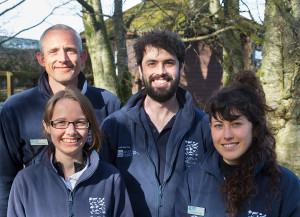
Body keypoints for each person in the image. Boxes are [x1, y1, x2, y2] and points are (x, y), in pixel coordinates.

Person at [0, 24, 121, 216]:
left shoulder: (107, 104)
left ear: (82, 57)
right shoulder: (16, 108)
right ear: (41, 58)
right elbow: (4, 178)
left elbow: (117, 171)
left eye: (70, 50)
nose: (63, 59)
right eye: (54, 51)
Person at [100, 30, 213, 217]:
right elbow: (103, 190)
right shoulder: (115, 126)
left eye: (169, 63)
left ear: (181, 67)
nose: (160, 72)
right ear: (140, 69)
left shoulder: (204, 127)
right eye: (151, 64)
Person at [173, 70, 300, 217]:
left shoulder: (286, 185)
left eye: (236, 124)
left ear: (255, 128)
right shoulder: (191, 180)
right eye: (219, 125)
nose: (227, 135)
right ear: (210, 129)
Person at [7, 88, 133, 217]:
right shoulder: (26, 181)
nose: (71, 131)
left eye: (80, 122)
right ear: (47, 126)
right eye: (61, 122)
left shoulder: (110, 178)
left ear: (90, 126)